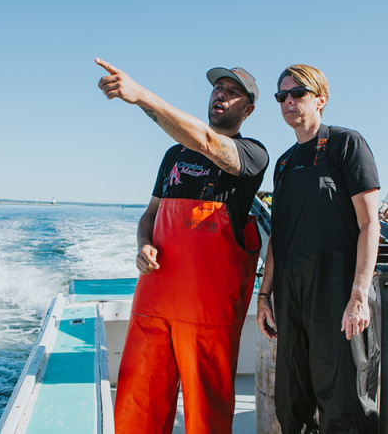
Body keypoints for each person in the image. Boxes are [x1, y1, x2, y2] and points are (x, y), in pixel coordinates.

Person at [95, 58, 269, 434]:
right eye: (217, 88)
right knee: (138, 402)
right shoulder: (174, 156)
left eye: (232, 92)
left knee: (206, 412)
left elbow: (206, 140)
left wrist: (141, 96)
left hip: (209, 312)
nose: (221, 94)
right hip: (153, 301)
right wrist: (143, 245)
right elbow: (150, 215)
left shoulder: (253, 155)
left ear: (248, 109)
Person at [256, 64, 380, 434]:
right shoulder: (283, 163)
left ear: (320, 99)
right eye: (282, 96)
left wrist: (358, 294)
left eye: (298, 94)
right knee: (292, 399)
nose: (288, 101)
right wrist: (264, 297)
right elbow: (279, 236)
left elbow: (369, 224)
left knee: (345, 400)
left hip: (337, 289)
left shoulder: (346, 145)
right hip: (291, 295)